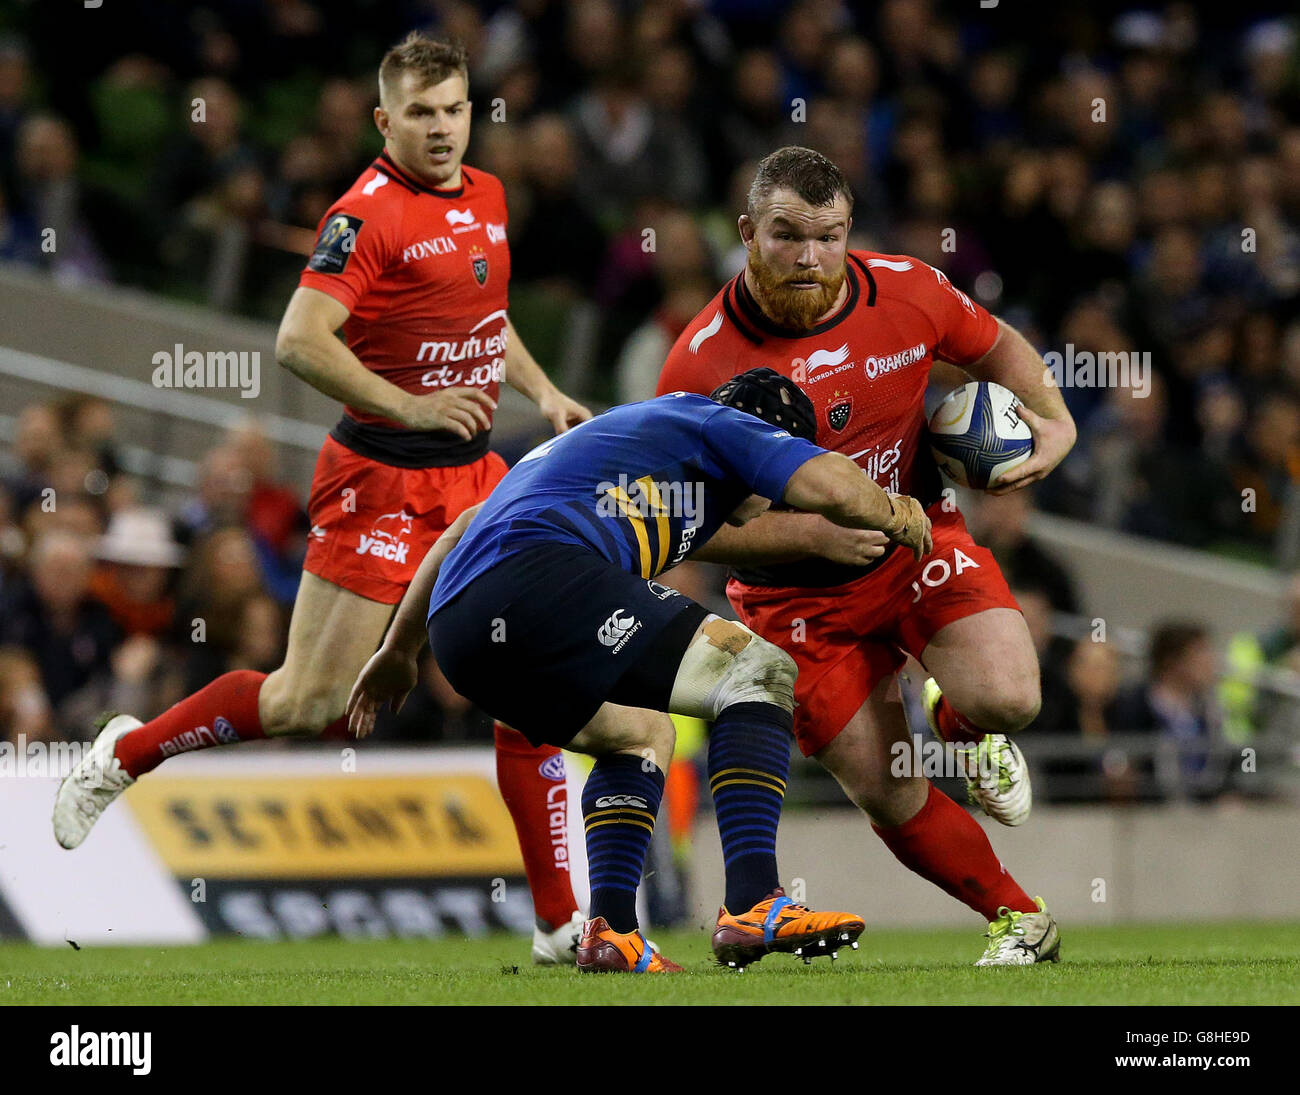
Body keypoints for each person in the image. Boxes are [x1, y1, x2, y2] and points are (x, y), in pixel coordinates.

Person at [53, 34, 595, 965]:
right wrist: (413, 404)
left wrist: (541, 392)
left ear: (472, 112)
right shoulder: (364, 215)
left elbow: (484, 318)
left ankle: (558, 923)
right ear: (386, 121)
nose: (439, 128)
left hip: (473, 478)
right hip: (380, 480)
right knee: (310, 700)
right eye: (419, 113)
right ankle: (126, 754)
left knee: (525, 681)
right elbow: (299, 340)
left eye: (454, 109)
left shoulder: (492, 198)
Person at [348, 368, 932, 972]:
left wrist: (397, 652)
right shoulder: (723, 425)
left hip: (460, 630)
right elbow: (832, 486)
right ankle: (755, 901)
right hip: (542, 576)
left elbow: (461, 531)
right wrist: (893, 512)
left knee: (640, 735)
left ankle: (613, 934)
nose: (776, 502)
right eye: (777, 482)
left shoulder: (630, 452)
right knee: (758, 670)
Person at [657, 146, 1072, 965]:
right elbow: (684, 526)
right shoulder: (697, 365)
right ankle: (1022, 919)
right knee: (886, 788)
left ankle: (962, 722)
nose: (810, 257)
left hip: (915, 541)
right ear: (746, 233)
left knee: (1012, 698)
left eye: (829, 235)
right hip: (793, 600)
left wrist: (1052, 415)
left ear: (850, 234)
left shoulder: (908, 290)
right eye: (787, 236)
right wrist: (807, 534)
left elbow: (994, 343)